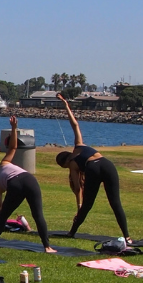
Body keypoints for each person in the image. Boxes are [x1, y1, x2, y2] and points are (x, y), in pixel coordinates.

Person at [54, 94, 132, 244]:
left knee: (88, 205)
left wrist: (79, 207)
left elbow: (78, 188)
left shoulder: (72, 164)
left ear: (64, 163)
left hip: (93, 169)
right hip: (107, 164)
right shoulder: (79, 145)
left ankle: (72, 232)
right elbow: (75, 125)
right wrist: (66, 106)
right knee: (115, 203)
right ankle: (127, 237)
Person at [0, 113, 56, 252]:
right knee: (38, 214)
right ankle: (47, 246)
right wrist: (14, 128)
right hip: (29, 179)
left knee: (4, 214)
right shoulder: (4, 163)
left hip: (15, 184)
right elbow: (13, 148)